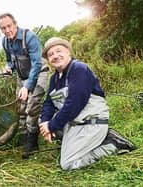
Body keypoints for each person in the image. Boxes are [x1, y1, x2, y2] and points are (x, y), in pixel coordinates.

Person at [39, 37, 136, 170]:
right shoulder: (54, 78)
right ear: (48, 60)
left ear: (68, 51)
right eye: (50, 54)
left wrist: (52, 125)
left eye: (58, 51)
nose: (55, 56)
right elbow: (48, 103)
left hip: (92, 122)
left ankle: (113, 144)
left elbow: (74, 104)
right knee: (43, 119)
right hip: (75, 123)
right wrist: (45, 123)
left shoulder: (79, 69)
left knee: (68, 164)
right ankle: (81, 141)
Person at [0, 13, 49, 159]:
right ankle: (24, 140)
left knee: (32, 106)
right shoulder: (5, 42)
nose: (7, 30)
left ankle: (33, 143)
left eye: (9, 26)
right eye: (3, 28)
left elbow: (37, 64)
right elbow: (10, 61)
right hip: (22, 77)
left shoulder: (29, 37)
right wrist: (8, 68)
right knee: (20, 108)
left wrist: (27, 87)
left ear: (15, 24)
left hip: (39, 74)